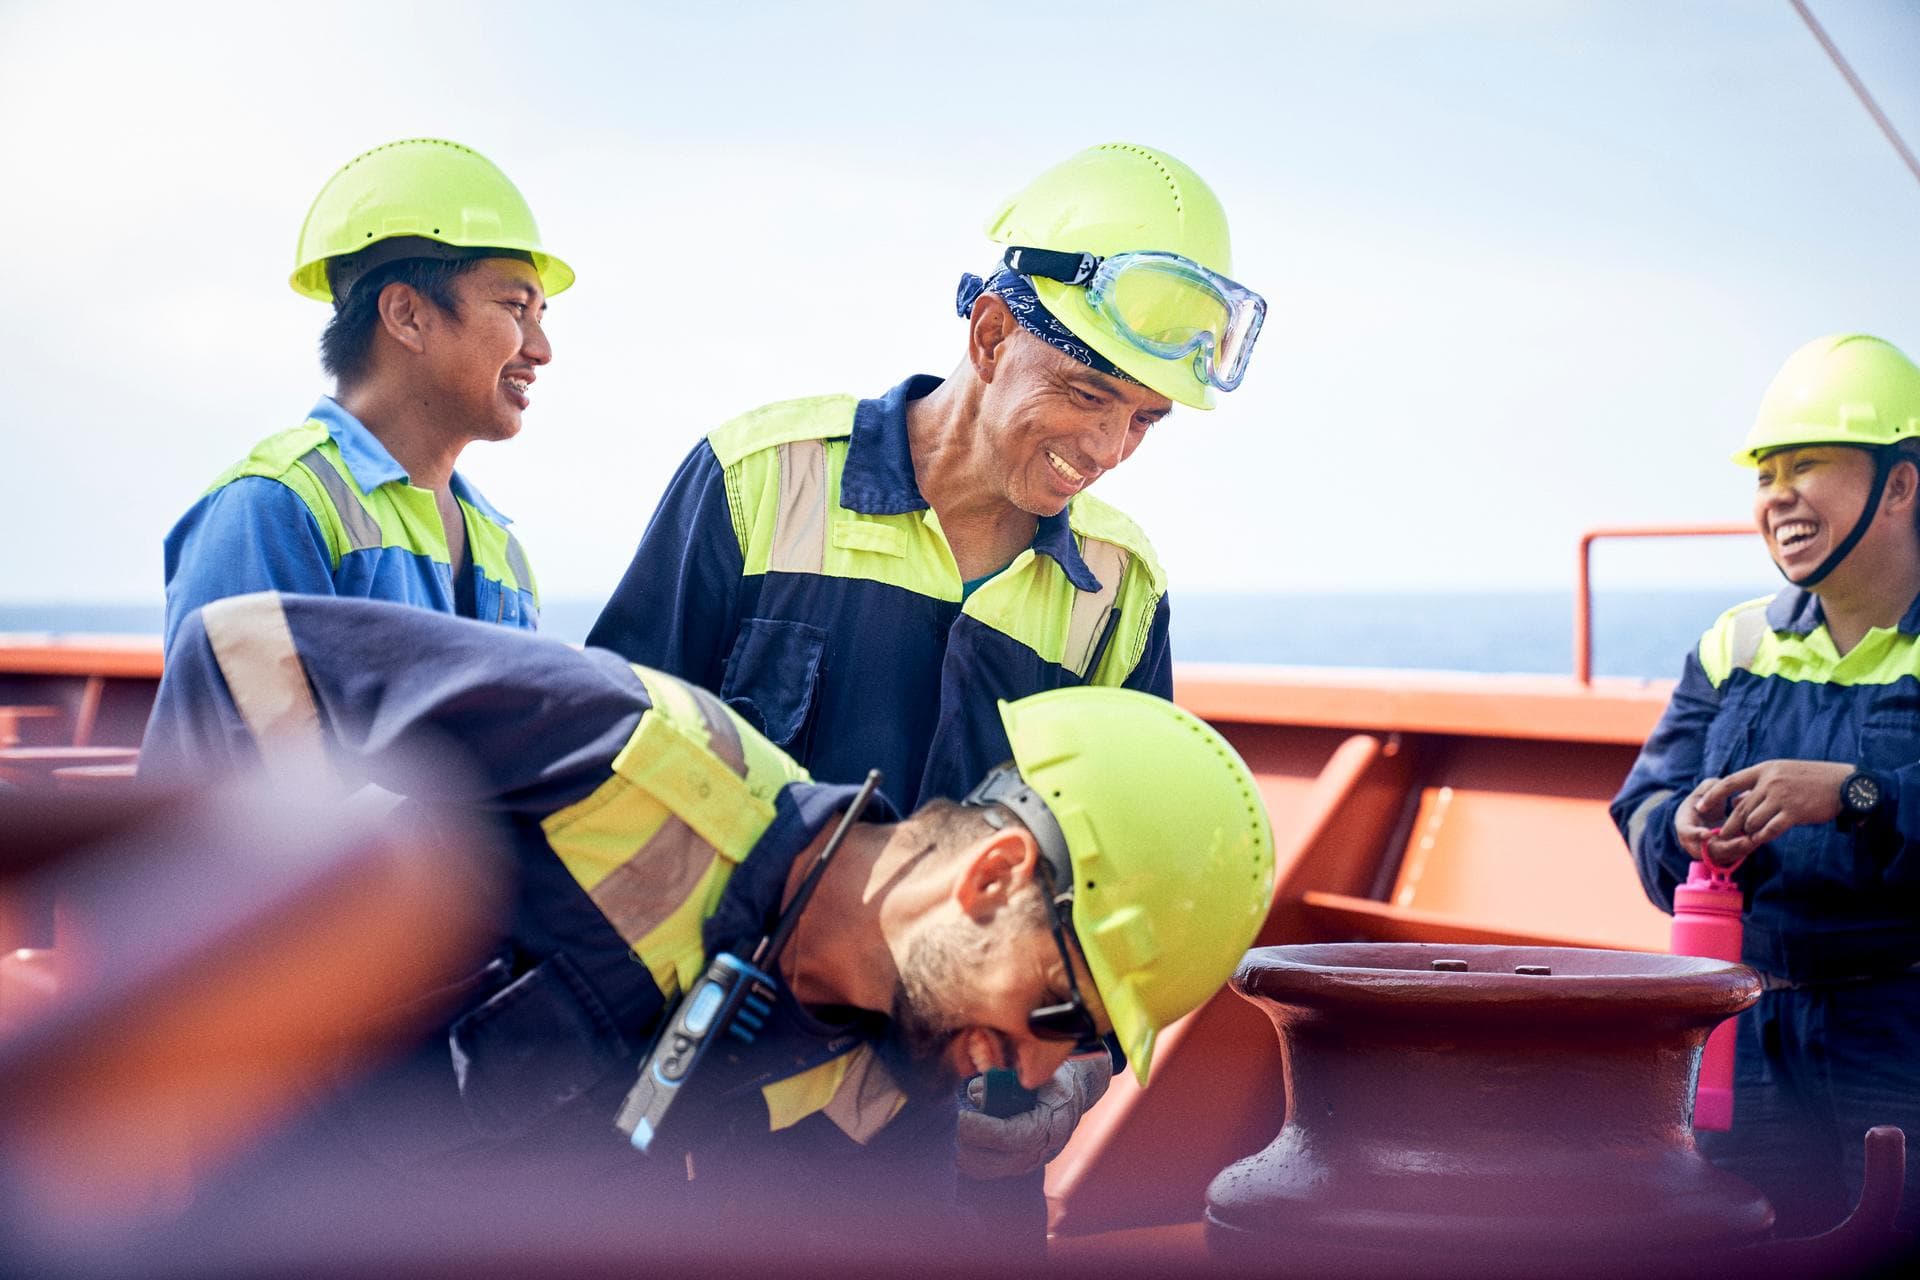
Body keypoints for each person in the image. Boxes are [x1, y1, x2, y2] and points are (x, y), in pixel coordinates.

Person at [136, 590, 1276, 1258]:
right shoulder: (640, 762)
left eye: (1076, 1049)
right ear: (994, 876)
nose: (1026, 1071)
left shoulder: (881, 1093)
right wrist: (158, 1055)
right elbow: (246, 656)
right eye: (1058, 1012)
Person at [586, 141, 1266, 813]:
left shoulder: (1123, 592)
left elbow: (1118, 841)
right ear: (991, 337)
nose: (1110, 451)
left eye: (1146, 420)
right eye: (1088, 396)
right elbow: (606, 765)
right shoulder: (757, 479)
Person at [1611, 333, 1920, 1237]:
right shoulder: (1736, 644)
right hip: (1747, 1039)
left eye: (1807, 465)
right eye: (1765, 474)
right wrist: (1680, 826)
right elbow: (1642, 805)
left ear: (1900, 485)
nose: (1777, 494)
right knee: (1750, 1245)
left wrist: (1856, 794)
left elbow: (1872, 799)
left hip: (1901, 1037)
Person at [160, 138, 569, 652]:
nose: (541, 350)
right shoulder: (274, 507)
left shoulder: (502, 551)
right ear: (407, 315)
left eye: (540, 316)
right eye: (515, 308)